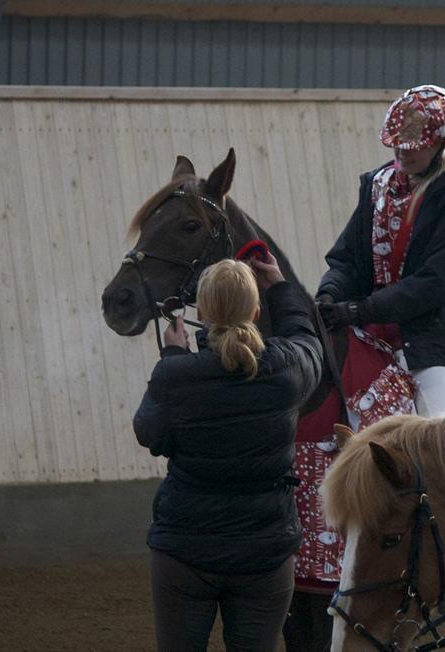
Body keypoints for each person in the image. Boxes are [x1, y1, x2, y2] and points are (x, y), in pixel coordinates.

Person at [134, 256, 325, 652]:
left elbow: (149, 433)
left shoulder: (176, 376)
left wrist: (172, 358)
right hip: (265, 553)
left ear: (201, 313)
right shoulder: (286, 371)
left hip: (185, 550)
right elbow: (309, 342)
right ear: (256, 312)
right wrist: (281, 288)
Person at [316, 84, 445, 419]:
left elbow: (436, 280)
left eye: (414, 146)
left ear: (443, 142)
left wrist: (358, 310)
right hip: (368, 325)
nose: (402, 151)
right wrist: (328, 296)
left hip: (433, 334)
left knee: (435, 431)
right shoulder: (377, 186)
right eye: (397, 143)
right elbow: (347, 259)